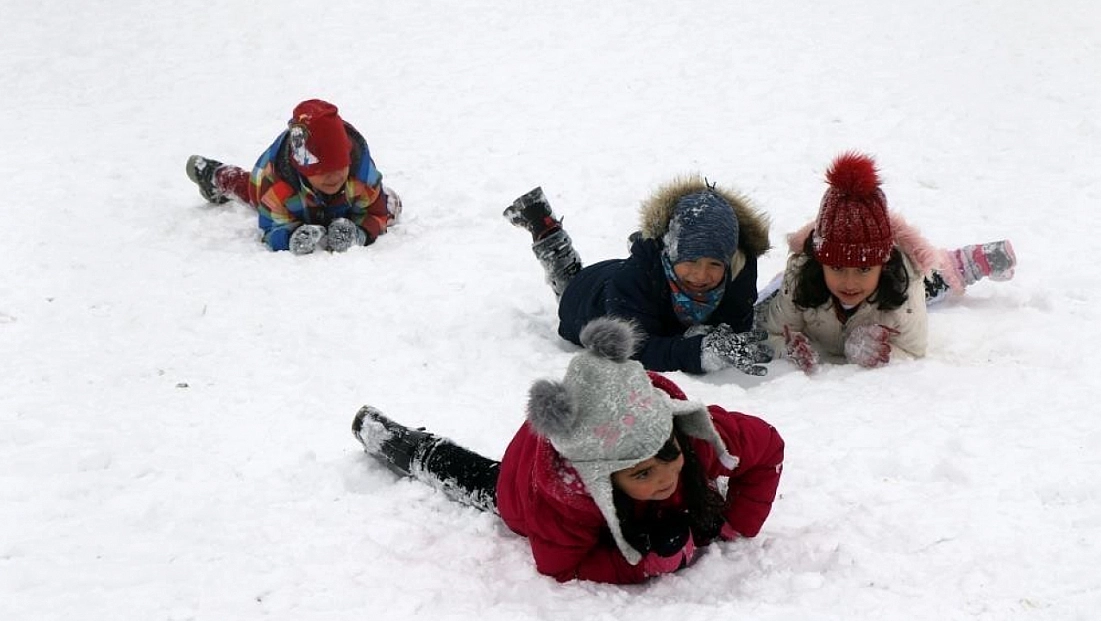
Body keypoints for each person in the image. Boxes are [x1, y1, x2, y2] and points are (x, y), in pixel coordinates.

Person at [352, 317, 785, 584]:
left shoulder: (691, 434)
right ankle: (399, 443)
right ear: (602, 478)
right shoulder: (565, 499)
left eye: (667, 456)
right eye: (640, 474)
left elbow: (768, 449)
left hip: (596, 426)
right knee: (480, 479)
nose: (664, 478)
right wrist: (642, 565)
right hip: (525, 483)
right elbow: (561, 566)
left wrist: (733, 525)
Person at [759, 151, 1017, 372]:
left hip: (890, 291)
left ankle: (962, 264)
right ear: (820, 262)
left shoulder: (903, 284)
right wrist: (790, 348)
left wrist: (880, 352)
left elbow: (914, 351)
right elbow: (771, 334)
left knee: (931, 281)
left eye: (863, 268)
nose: (849, 282)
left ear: (883, 263)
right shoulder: (800, 277)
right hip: (811, 286)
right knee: (769, 298)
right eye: (836, 267)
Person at [502, 178, 773, 376]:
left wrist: (719, 336)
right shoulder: (631, 281)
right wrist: (698, 352)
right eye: (690, 260)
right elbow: (632, 349)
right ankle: (545, 230)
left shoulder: (739, 267)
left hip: (640, 281)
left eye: (714, 263)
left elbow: (738, 321)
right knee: (568, 281)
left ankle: (643, 250)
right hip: (589, 297)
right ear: (671, 252)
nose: (701, 275)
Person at [185, 99, 402, 254]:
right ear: (303, 169)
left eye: (339, 167)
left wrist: (360, 232)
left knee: (390, 202)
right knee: (250, 191)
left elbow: (378, 212)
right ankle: (215, 176)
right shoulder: (277, 187)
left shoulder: (361, 177)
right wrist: (290, 237)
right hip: (287, 198)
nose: (334, 176)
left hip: (342, 202)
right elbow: (270, 228)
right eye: (322, 171)